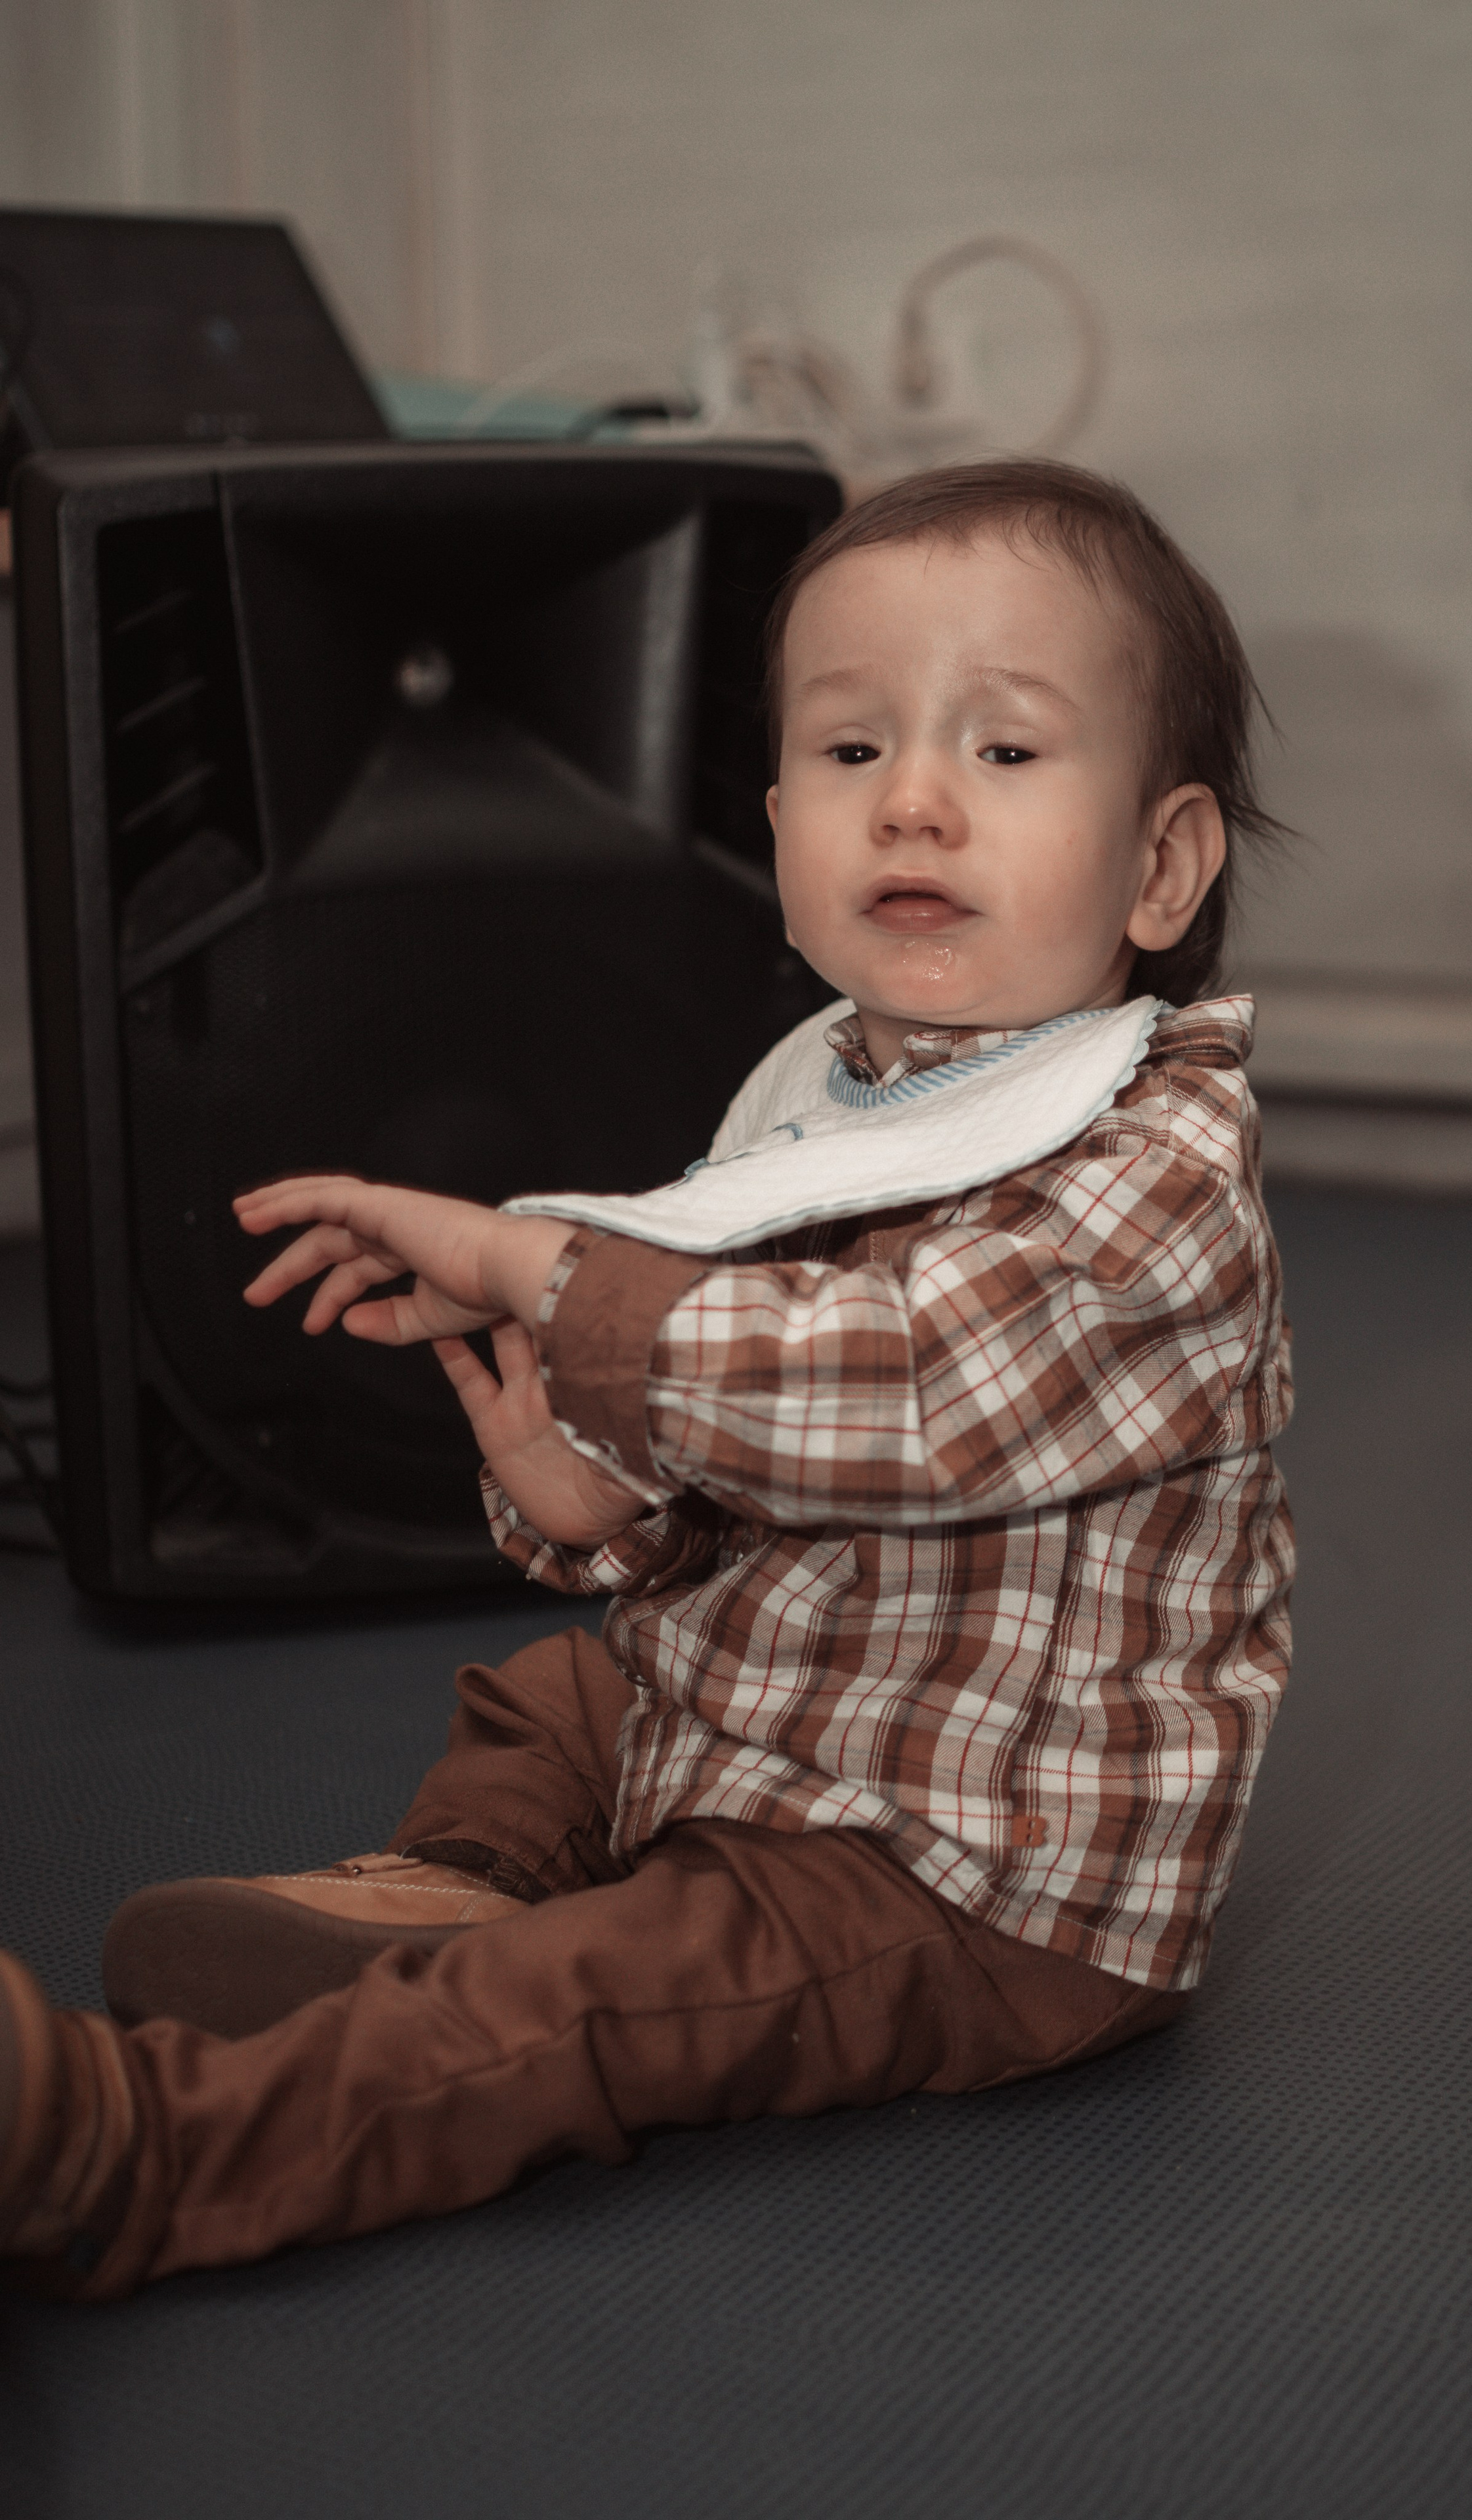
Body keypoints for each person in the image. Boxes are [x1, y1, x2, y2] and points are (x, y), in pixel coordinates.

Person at [0, 458, 1294, 2299]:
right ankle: (464, 1891)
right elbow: (745, 1462)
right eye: (850, 750)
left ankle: (132, 2151)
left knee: (597, 2005)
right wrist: (601, 1508)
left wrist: (539, 1267)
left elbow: (899, 1401)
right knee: (559, 1696)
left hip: (967, 1871)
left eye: (1005, 750)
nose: (912, 798)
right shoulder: (829, 1096)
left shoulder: (1158, 1177)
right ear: (776, 826)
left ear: (1161, 864)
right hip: (794, 1722)